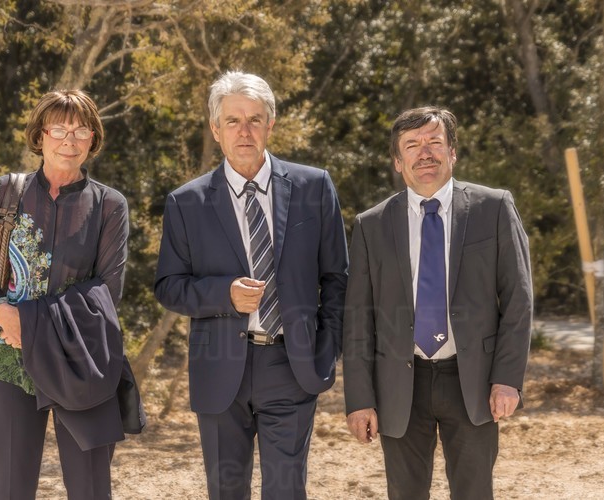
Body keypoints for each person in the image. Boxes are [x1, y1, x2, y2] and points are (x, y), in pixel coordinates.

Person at [154, 71, 348, 499]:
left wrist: (325, 348)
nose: (244, 131)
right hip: (220, 370)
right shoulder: (186, 202)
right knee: (226, 491)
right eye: (233, 121)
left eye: (255, 119)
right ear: (215, 129)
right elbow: (169, 286)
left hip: (291, 367)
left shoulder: (314, 187)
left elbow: (337, 278)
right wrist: (223, 294)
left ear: (271, 125)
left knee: (285, 491)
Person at [343, 106, 533, 500]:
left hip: (473, 381)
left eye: (434, 142)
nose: (424, 152)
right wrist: (359, 400)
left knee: (474, 492)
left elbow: (518, 298)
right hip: (399, 386)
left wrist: (507, 378)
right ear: (398, 161)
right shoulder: (371, 224)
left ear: (453, 153)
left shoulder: (493, 208)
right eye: (412, 145)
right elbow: (358, 319)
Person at [0, 89, 132, 499]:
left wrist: (32, 324)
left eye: (81, 130)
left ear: (94, 139)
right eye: (59, 128)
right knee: (10, 486)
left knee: (90, 487)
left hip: (81, 361)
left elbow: (108, 290)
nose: (69, 140)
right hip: (10, 361)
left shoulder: (110, 205)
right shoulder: (5, 193)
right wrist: (2, 313)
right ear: (40, 135)